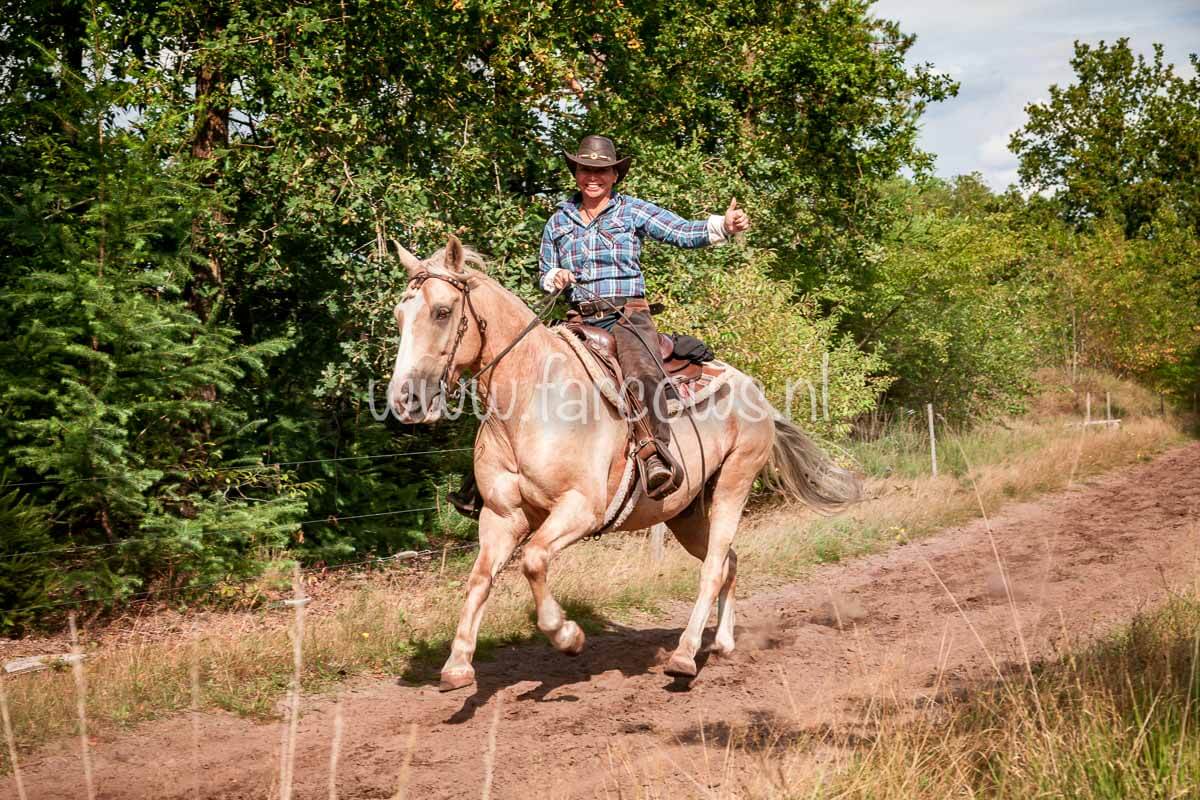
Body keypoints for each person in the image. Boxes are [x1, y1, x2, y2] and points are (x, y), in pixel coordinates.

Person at [448, 134, 749, 515]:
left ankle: (654, 455)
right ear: (576, 173)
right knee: (520, 377)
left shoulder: (632, 211)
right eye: (586, 169)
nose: (593, 177)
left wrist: (724, 225)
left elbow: (680, 232)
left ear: (614, 175)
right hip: (578, 318)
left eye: (601, 171)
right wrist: (554, 276)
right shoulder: (558, 221)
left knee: (642, 373)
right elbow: (545, 269)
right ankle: (488, 478)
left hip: (627, 315)